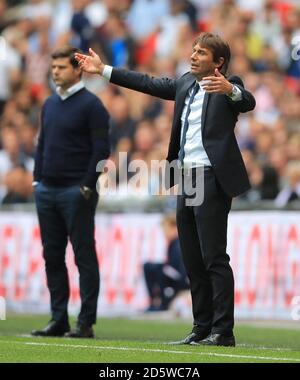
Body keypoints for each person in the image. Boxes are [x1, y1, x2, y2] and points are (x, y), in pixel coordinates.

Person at [75, 32, 256, 346]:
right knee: (191, 257)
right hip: (185, 176)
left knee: (213, 256)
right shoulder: (185, 83)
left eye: (202, 52)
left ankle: (223, 330)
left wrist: (231, 89)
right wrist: (104, 70)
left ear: (219, 62)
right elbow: (146, 82)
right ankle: (201, 327)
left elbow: (247, 100)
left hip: (211, 176)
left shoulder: (227, 85)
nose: (194, 55)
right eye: (194, 50)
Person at [31, 46, 110, 338]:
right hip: (47, 190)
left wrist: (87, 185)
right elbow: (42, 145)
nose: (55, 72)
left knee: (82, 256)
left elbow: (102, 150)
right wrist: (37, 180)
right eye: (53, 68)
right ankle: (58, 319)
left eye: (61, 67)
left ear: (78, 70)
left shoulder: (92, 106)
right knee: (52, 256)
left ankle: (85, 322)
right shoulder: (49, 104)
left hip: (75, 191)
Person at [143, 213, 189, 312]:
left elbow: (182, 271)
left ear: (174, 228)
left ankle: (163, 303)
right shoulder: (174, 243)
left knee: (158, 269)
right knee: (150, 267)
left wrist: (163, 268)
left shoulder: (179, 244)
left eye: (166, 229)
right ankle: (155, 302)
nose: (164, 233)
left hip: (184, 280)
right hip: (178, 277)